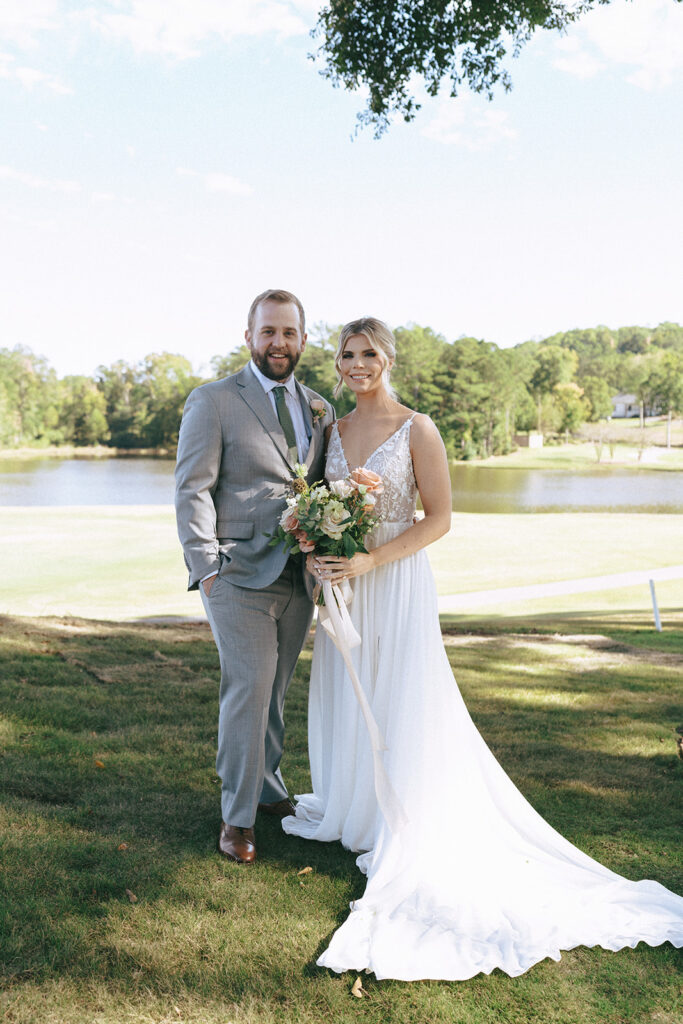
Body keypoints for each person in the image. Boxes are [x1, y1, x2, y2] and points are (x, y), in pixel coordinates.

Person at [282, 316, 683, 981]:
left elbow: (438, 518)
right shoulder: (333, 428)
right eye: (347, 354)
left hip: (395, 579)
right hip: (346, 583)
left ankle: (406, 813)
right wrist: (319, 550)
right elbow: (322, 503)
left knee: (401, 693)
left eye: (369, 353)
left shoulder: (418, 428)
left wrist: (370, 560)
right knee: (351, 694)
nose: (357, 364)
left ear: (389, 358)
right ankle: (358, 809)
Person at [175, 288, 335, 864]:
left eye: (288, 333)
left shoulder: (319, 408)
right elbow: (192, 489)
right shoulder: (214, 400)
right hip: (237, 575)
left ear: (303, 340)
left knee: (275, 692)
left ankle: (268, 791)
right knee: (248, 691)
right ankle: (236, 819)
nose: (278, 343)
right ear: (249, 337)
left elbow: (317, 488)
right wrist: (207, 571)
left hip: (298, 576)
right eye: (267, 332)